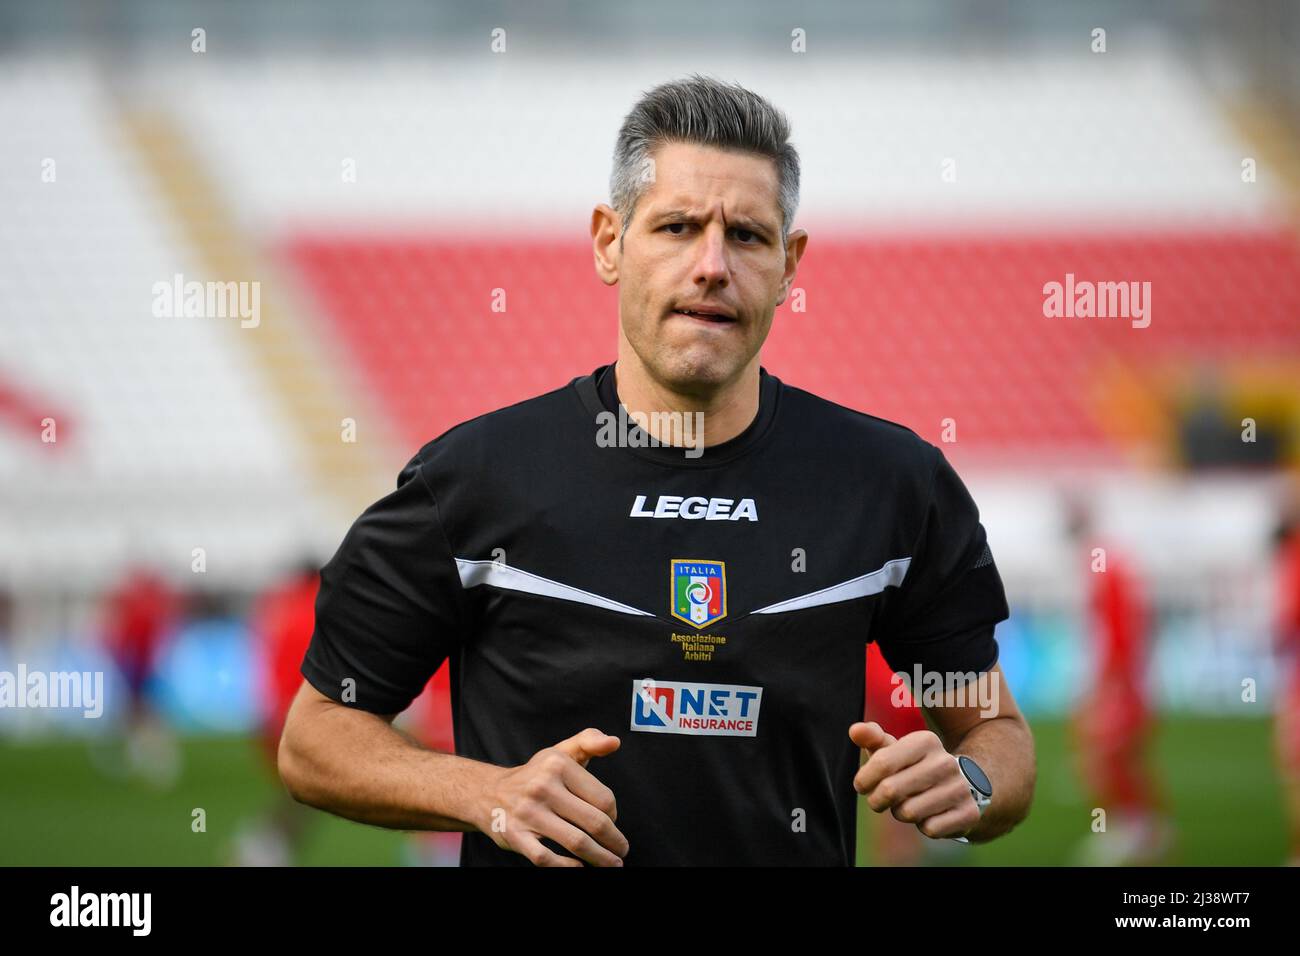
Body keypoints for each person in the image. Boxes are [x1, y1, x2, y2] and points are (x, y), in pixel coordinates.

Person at [279, 74, 1036, 866]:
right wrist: (485, 794)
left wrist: (974, 783)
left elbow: (996, 733)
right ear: (610, 242)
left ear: (789, 265)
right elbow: (314, 738)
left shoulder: (892, 484)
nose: (713, 265)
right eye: (677, 227)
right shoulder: (472, 478)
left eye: (747, 235)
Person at [1064, 494, 1173, 865]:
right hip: (1122, 675)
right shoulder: (1106, 562)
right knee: (1118, 756)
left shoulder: (1104, 566)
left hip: (1120, 679)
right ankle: (1144, 826)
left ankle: (1130, 829)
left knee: (1106, 755)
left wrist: (1112, 679)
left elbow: (1118, 631)